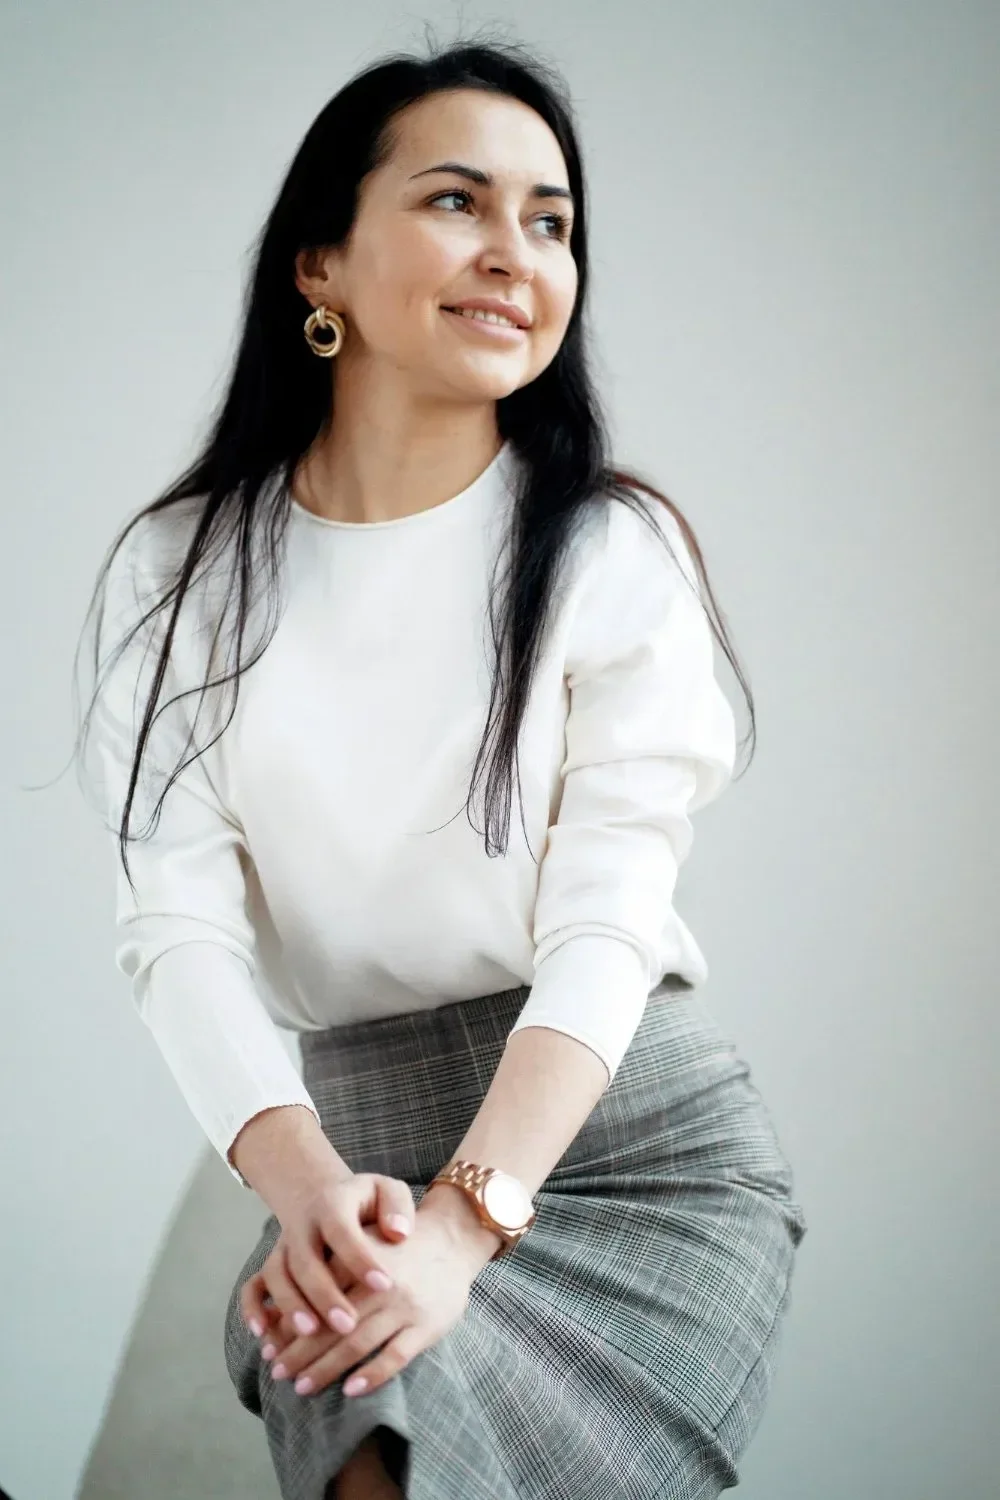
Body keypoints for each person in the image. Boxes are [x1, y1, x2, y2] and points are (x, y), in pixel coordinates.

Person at [76, 34, 807, 1500]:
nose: (514, 252)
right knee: (370, 1438)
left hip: (628, 1160)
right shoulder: (180, 574)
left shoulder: (609, 554)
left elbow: (606, 922)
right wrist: (301, 1191)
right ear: (320, 267)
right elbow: (177, 929)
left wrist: (471, 1225)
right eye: (458, 201)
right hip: (345, 1161)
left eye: (552, 222)